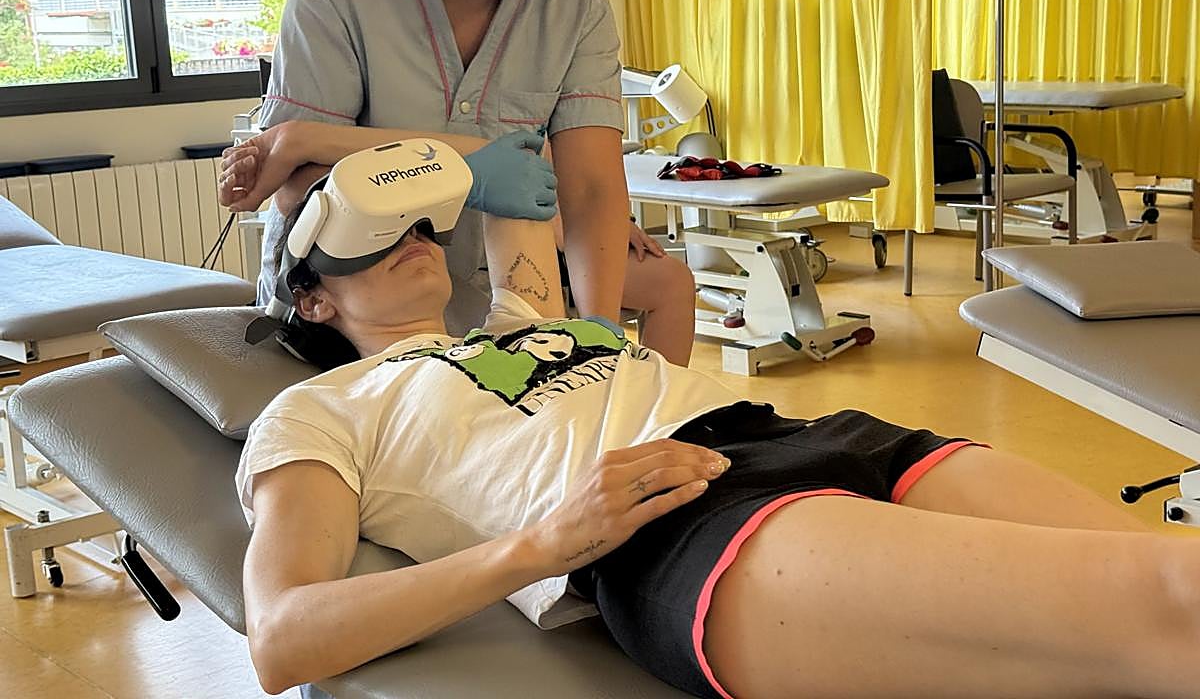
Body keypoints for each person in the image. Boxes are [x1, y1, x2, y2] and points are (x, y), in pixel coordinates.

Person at [237, 176, 1200, 698]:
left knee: (1163, 589)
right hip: (678, 525)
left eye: (415, 223)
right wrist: (539, 548)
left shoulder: (523, 321)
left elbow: (639, 271)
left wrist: (512, 183)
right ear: (312, 295)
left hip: (818, 434)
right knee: (1170, 606)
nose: (410, 236)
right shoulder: (325, 409)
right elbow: (282, 642)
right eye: (368, 235)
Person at [219, 0, 688, 348]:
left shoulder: (575, 4)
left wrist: (598, 334)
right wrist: (465, 162)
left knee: (654, 296)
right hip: (352, 313)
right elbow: (300, 188)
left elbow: (590, 188)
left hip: (492, 299)